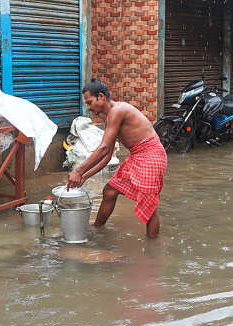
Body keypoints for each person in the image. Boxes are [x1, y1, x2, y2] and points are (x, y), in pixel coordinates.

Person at [66, 79, 167, 237]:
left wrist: (78, 171)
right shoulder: (109, 120)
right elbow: (106, 156)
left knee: (149, 208)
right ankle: (96, 230)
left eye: (89, 102)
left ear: (101, 96)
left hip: (150, 155)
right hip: (137, 156)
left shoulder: (118, 110)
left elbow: (104, 148)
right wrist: (84, 176)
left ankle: (152, 251)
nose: (89, 107)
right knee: (109, 191)